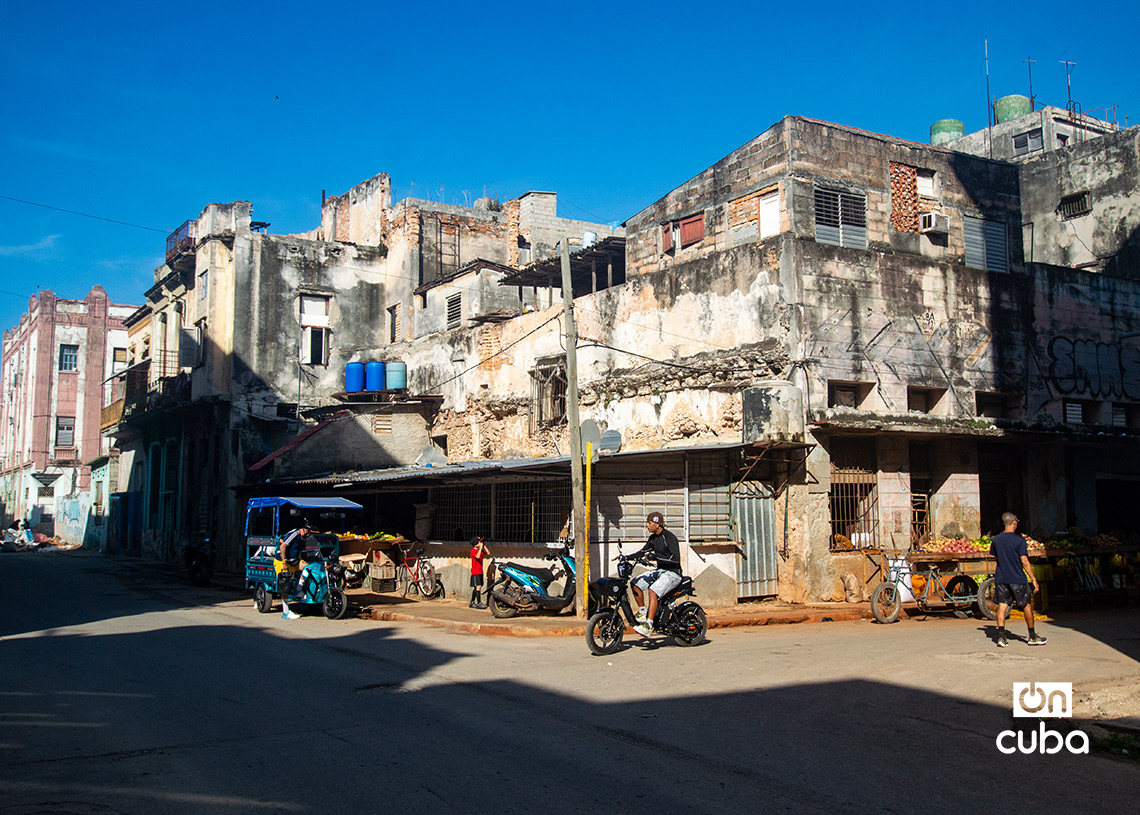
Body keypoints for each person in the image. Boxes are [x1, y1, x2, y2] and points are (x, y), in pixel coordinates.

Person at [990, 512, 1045, 647]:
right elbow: (1024, 561)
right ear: (1014, 522)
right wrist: (1033, 578)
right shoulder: (1019, 540)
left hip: (1002, 578)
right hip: (1017, 578)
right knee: (1026, 605)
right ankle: (1032, 635)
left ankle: (1001, 637)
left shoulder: (996, 540)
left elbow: (996, 558)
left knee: (1002, 606)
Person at [629, 511, 683, 637]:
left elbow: (675, 559)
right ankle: (643, 612)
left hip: (673, 573)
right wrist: (626, 557)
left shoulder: (669, 537)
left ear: (657, 524)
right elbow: (642, 551)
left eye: (649, 523)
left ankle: (649, 625)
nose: (647, 526)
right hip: (661, 572)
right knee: (635, 583)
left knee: (653, 590)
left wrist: (656, 558)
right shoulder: (653, 538)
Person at [276, 520, 313, 620]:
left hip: (295, 561)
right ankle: (286, 612)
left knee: (309, 568)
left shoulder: (303, 538)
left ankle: (299, 590)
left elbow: (303, 550)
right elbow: (283, 546)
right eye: (309, 532)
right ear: (304, 530)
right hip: (283, 561)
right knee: (285, 585)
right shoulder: (294, 534)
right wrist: (284, 562)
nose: (310, 534)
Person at [469, 537, 490, 608]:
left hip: (480, 571)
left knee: (477, 587)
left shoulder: (479, 550)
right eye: (479, 542)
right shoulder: (473, 551)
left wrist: (484, 546)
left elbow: (488, 553)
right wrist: (480, 548)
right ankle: (478, 602)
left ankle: (472, 602)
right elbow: (477, 556)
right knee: (478, 587)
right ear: (475, 544)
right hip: (475, 572)